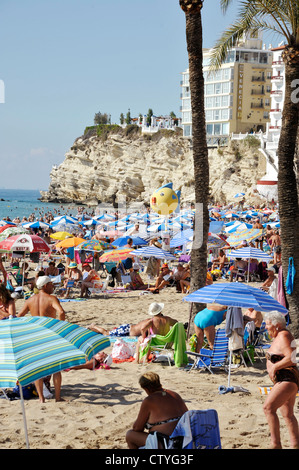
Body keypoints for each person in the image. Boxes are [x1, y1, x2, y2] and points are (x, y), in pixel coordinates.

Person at [17, 276, 66, 402]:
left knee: (37, 368)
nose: (53, 286)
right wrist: (60, 327)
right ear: (45, 286)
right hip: (49, 335)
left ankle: (41, 398)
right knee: (57, 368)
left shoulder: (30, 300)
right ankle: (58, 397)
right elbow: (61, 312)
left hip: (35, 336)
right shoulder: (51, 298)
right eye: (51, 284)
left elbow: (19, 316)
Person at [263, 311, 299, 449]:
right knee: (287, 414)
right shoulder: (281, 335)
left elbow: (292, 357)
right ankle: (295, 444)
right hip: (286, 380)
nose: (266, 327)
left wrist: (274, 367)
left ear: (276, 325)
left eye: (267, 324)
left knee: (268, 408)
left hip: (287, 379)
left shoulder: (284, 335)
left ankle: (275, 444)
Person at [126, 372, 188, 449]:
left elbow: (137, 428)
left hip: (167, 443)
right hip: (185, 439)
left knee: (130, 435)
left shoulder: (149, 400)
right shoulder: (175, 394)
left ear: (146, 389)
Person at [88, 302, 177, 339]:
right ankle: (93, 326)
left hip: (129, 330)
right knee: (106, 333)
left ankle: (94, 328)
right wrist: (143, 337)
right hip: (127, 330)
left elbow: (176, 322)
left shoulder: (156, 320)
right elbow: (143, 328)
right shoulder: (151, 321)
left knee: (107, 332)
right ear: (160, 310)